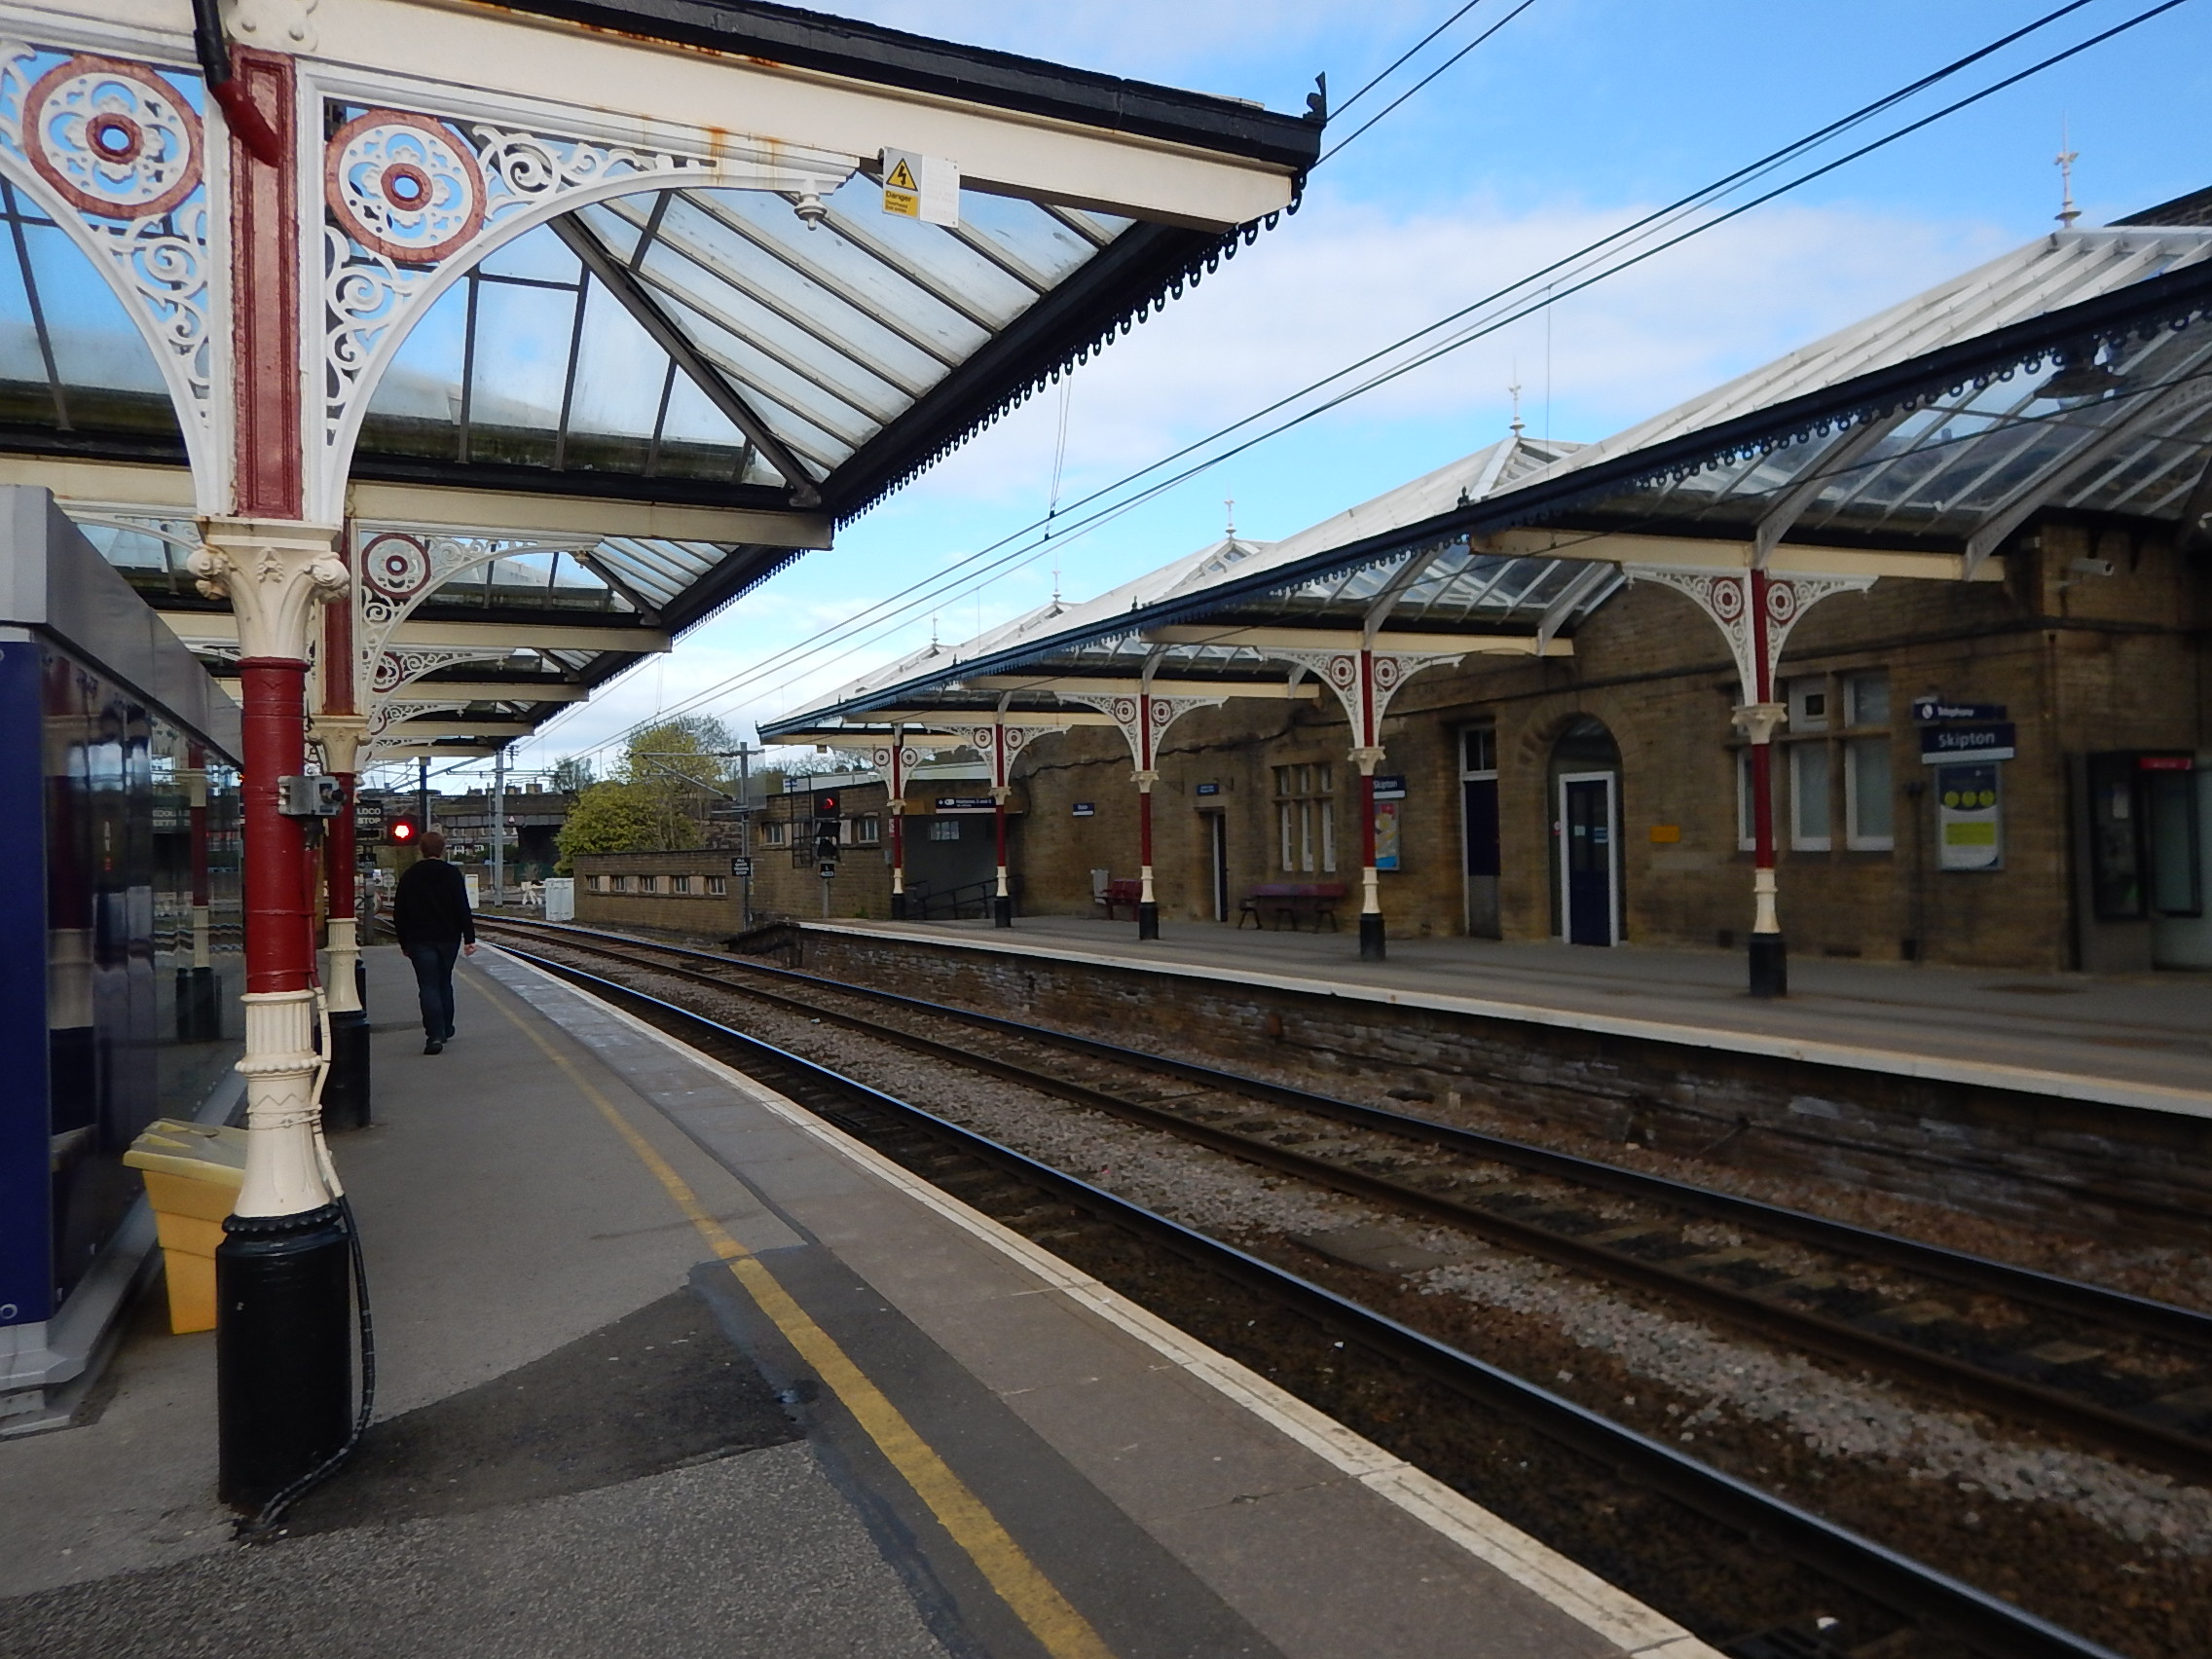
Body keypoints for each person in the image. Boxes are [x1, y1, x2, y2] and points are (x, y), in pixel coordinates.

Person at [391, 830, 476, 1054]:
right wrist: (469, 938)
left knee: (428, 986)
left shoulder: (410, 875)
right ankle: (446, 1027)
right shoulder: (451, 873)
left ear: (421, 849)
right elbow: (461, 906)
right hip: (448, 938)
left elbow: (399, 912)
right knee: (444, 981)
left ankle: (434, 1035)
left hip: (419, 939)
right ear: (443, 849)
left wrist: (403, 942)